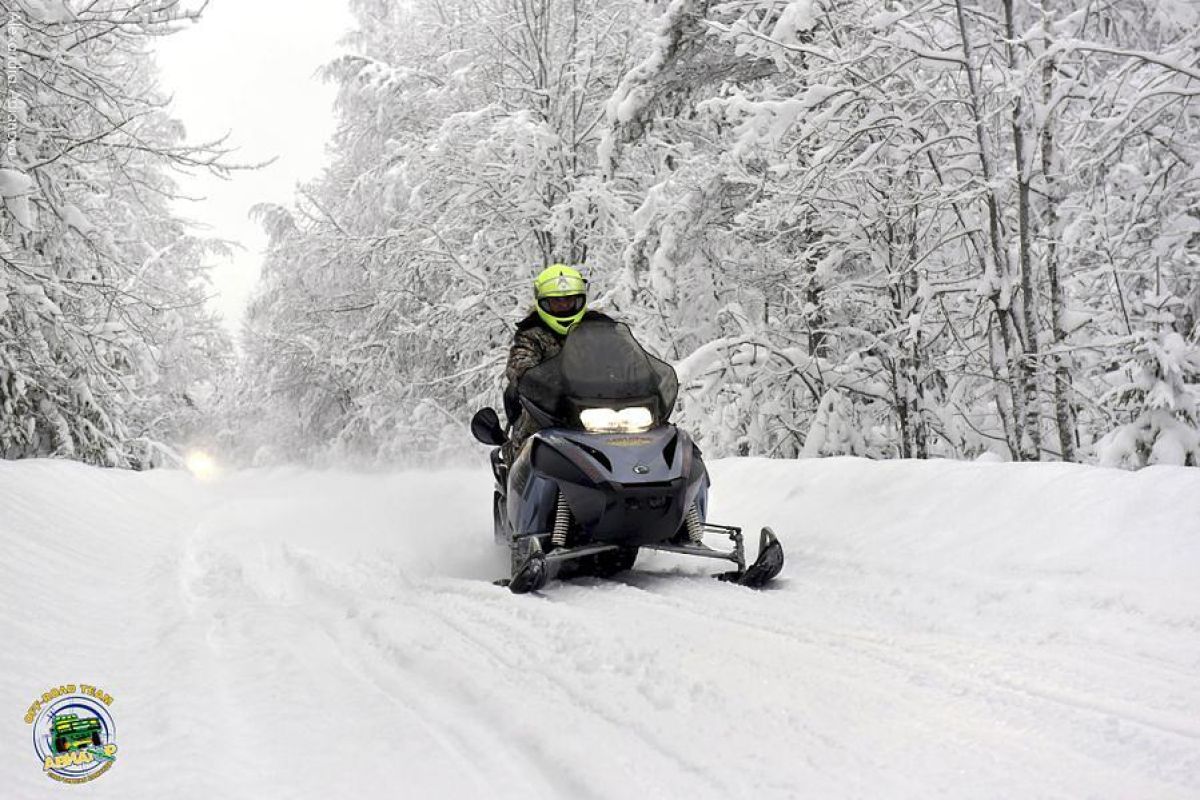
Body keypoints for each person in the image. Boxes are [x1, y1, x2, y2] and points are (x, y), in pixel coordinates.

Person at [502, 264, 612, 461]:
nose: (563, 306)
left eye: (569, 300)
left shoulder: (599, 328)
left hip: (599, 403)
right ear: (544, 303)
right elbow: (520, 365)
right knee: (529, 438)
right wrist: (536, 380)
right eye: (556, 302)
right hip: (549, 410)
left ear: (579, 300)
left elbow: (623, 354)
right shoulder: (531, 333)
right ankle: (519, 475)